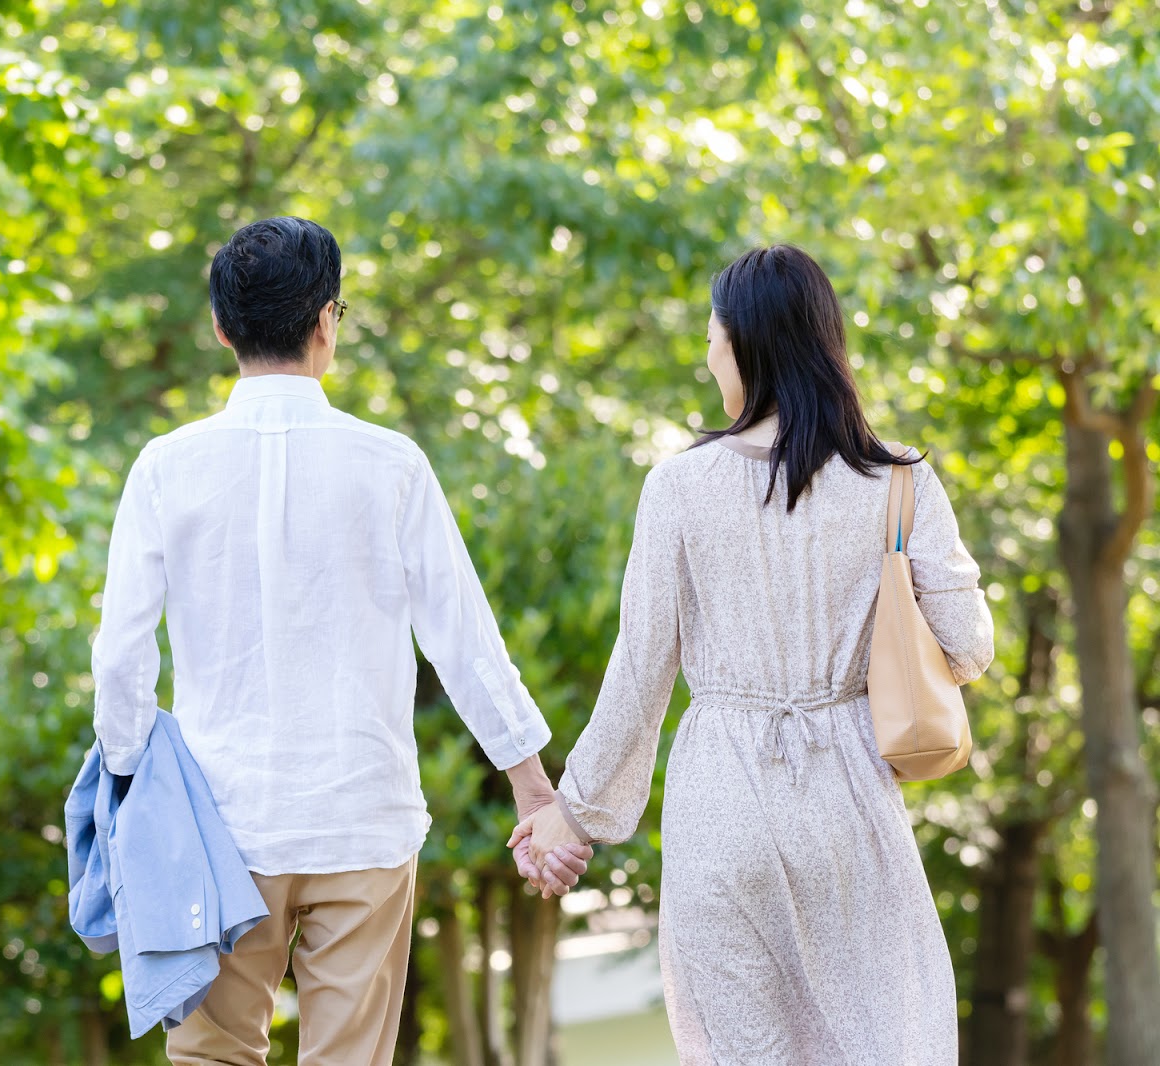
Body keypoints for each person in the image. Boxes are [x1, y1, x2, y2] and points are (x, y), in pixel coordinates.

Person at [91, 216, 590, 1064]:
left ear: (221, 328)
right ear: (327, 320)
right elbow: (465, 642)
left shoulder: (165, 467)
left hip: (216, 832)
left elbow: (121, 655)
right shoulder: (390, 465)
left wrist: (135, 778)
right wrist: (533, 790)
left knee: (212, 1059)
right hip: (362, 821)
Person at [510, 244, 995, 1065]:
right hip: (848, 800)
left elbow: (639, 672)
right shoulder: (900, 481)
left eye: (712, 339)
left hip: (721, 804)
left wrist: (572, 811)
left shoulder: (678, 486)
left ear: (746, 346)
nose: (707, 358)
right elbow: (970, 648)